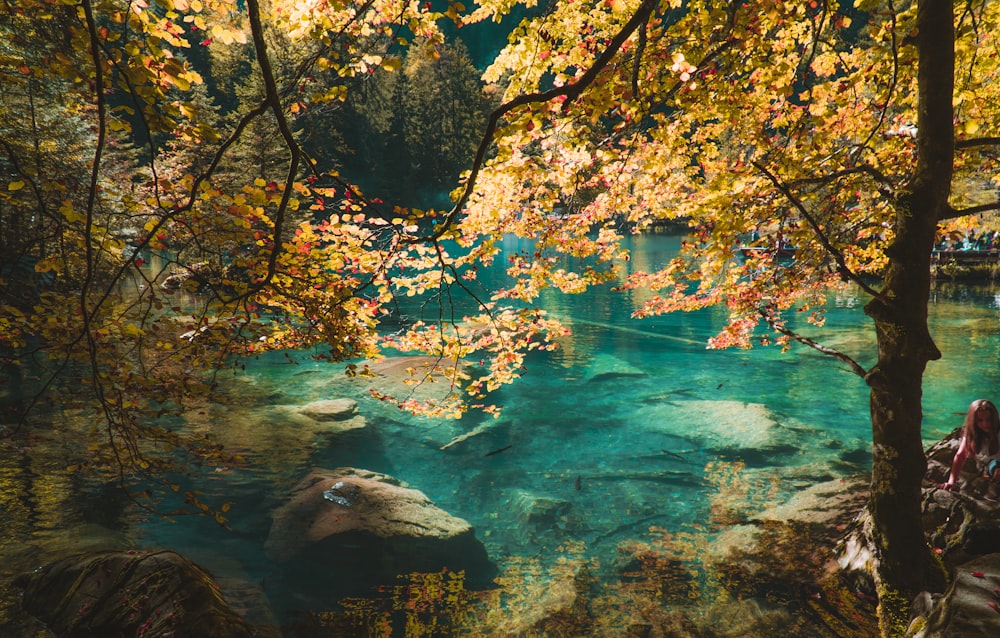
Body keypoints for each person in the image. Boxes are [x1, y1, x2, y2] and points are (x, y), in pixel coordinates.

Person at [940, 399, 1000, 492]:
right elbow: (960, 456)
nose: (985, 424)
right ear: (974, 421)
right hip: (994, 461)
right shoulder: (972, 434)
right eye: (980, 420)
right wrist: (951, 482)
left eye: (989, 419)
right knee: (994, 468)